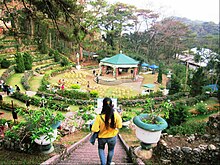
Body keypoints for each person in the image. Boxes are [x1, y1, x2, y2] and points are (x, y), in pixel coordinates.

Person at [91, 97, 122, 165]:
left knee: (101, 149)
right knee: (111, 150)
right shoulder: (116, 115)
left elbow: (94, 129)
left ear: (103, 105)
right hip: (112, 137)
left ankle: (103, 163)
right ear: (112, 105)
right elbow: (119, 126)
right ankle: (109, 163)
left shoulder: (99, 117)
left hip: (102, 137)